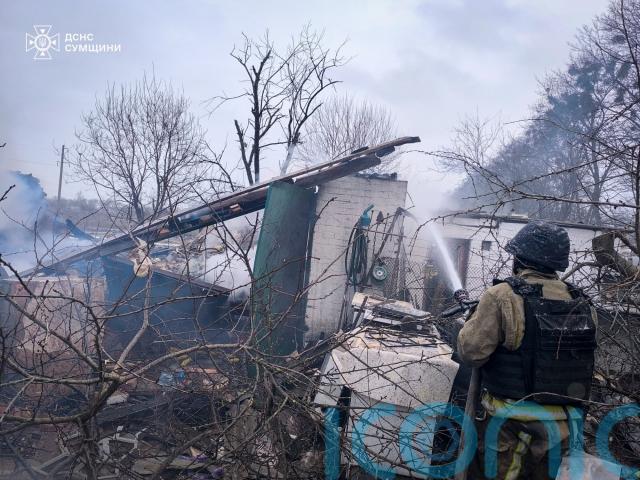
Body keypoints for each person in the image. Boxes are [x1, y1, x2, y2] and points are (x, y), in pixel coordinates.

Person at [457, 221, 597, 480]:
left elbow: (471, 353)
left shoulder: (502, 296)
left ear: (520, 258)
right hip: (563, 429)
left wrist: (473, 321)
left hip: (510, 426)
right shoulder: (582, 302)